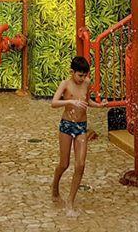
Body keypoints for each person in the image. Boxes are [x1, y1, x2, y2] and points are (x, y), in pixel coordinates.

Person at [50, 56, 106, 217]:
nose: (83, 79)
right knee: (64, 163)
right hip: (67, 125)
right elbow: (53, 103)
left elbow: (87, 102)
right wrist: (70, 102)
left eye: (85, 75)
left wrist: (99, 106)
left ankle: (70, 202)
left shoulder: (86, 83)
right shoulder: (65, 84)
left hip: (81, 127)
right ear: (72, 72)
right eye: (80, 76)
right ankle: (55, 185)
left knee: (80, 165)